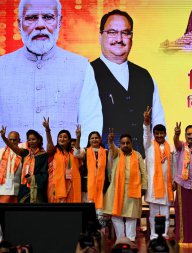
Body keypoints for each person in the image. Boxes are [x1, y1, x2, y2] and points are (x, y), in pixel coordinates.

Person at [0, 0, 101, 147]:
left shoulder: (81, 68)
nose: (40, 25)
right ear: (19, 24)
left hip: (65, 167)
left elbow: (91, 127)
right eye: (32, 18)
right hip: (8, 168)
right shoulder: (2, 67)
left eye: (48, 17)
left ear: (59, 22)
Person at [89, 9, 165, 157]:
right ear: (100, 36)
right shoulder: (87, 74)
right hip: (103, 165)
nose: (119, 39)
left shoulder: (145, 76)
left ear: (131, 37)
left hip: (141, 164)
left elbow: (158, 124)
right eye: (112, 32)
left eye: (125, 33)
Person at [102, 129, 147, 242]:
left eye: (128, 143)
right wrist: (110, 141)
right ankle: (121, 239)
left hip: (133, 189)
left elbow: (144, 173)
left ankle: (131, 239)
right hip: (116, 190)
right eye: (123, 143)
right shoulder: (117, 153)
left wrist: (144, 187)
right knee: (116, 215)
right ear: (120, 144)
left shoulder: (137, 155)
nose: (125, 145)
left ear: (131, 143)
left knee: (131, 216)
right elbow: (112, 148)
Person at [143, 106, 174, 240]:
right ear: (154, 134)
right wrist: (146, 123)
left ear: (165, 134)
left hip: (167, 187)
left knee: (166, 213)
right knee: (154, 214)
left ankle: (165, 234)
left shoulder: (170, 147)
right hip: (153, 188)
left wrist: (173, 182)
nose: (160, 135)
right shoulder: (149, 145)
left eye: (162, 133)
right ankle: (154, 236)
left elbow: (174, 166)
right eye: (157, 133)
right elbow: (146, 134)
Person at [1, 128, 48, 203]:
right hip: (24, 188)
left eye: (33, 139)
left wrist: (33, 178)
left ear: (39, 140)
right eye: (29, 140)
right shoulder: (25, 153)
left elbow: (44, 173)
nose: (31, 141)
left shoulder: (43, 155)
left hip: (37, 188)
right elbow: (13, 147)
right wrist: (4, 137)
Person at [43, 117, 82, 203]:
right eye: (60, 137)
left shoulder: (73, 152)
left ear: (69, 140)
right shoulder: (53, 151)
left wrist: (78, 137)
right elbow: (49, 143)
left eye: (65, 137)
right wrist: (47, 130)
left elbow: (77, 152)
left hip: (71, 183)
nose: (62, 139)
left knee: (69, 207)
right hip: (55, 184)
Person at [73, 126, 109, 214]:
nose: (94, 140)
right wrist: (78, 137)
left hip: (101, 186)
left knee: (100, 213)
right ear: (89, 141)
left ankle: (100, 228)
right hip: (87, 187)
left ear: (100, 140)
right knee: (88, 212)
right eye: (92, 138)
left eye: (96, 138)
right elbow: (76, 154)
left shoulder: (106, 152)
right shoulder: (85, 151)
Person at [0, 130, 23, 203]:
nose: (12, 142)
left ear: (19, 140)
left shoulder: (22, 152)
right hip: (2, 187)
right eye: (10, 140)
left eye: (14, 140)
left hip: (18, 187)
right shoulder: (1, 151)